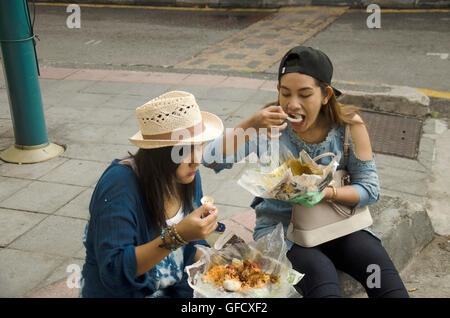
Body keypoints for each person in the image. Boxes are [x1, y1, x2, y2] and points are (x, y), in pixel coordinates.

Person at [201, 46, 409, 298]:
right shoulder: (269, 126)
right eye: (285, 94)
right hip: (283, 232)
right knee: (322, 279)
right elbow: (211, 160)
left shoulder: (349, 127)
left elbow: (370, 190)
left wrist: (326, 193)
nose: (293, 105)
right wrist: (250, 123)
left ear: (325, 94)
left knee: (385, 280)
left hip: (339, 224)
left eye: (305, 94)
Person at [80, 91, 224, 297]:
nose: (197, 160)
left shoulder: (188, 175)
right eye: (183, 151)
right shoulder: (119, 185)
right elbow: (114, 271)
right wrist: (178, 236)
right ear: (158, 152)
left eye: (200, 145)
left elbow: (189, 248)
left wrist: (213, 257)